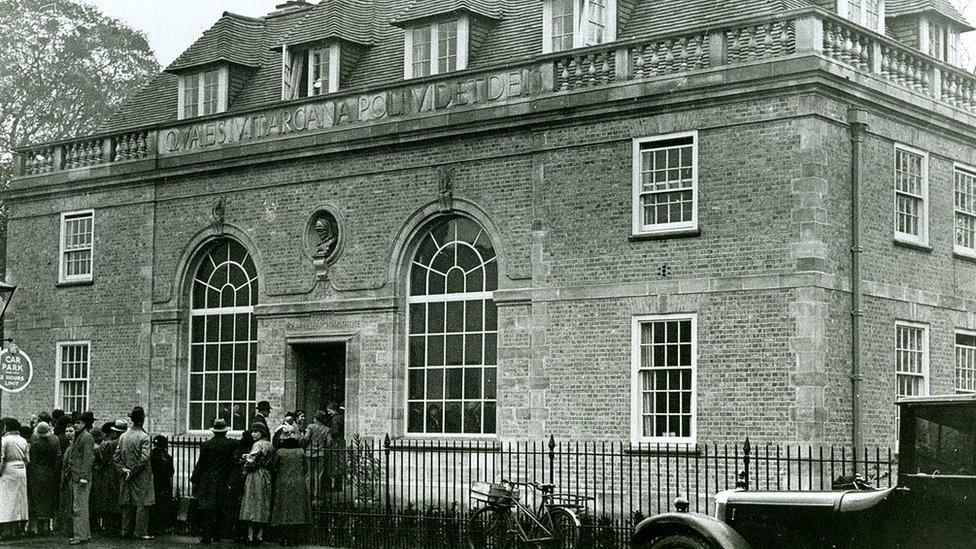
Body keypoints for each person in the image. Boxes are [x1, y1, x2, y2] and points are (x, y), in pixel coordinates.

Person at [190, 418, 238, 544]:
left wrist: (194, 478)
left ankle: (206, 536)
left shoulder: (206, 445)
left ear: (214, 431)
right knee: (220, 509)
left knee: (207, 510)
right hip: (223, 479)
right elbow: (233, 463)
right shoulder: (231, 445)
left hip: (208, 480)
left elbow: (200, 464)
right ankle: (218, 535)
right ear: (225, 431)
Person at [114, 406, 154, 540]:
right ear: (142, 419)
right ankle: (140, 532)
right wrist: (133, 471)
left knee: (127, 504)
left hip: (126, 476)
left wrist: (124, 470)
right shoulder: (144, 437)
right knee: (143, 504)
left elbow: (116, 457)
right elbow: (144, 458)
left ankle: (125, 531)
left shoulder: (123, 436)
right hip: (141, 476)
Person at [270, 436, 310, 546]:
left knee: (283, 509)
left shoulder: (280, 452)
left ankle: (283, 538)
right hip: (298, 483)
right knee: (297, 510)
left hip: (282, 483)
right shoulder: (301, 452)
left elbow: (274, 467)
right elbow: (306, 468)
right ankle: (294, 538)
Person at [239, 422, 274, 546]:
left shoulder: (257, 444)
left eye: (256, 431)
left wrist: (245, 462)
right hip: (266, 475)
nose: (253, 434)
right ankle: (260, 535)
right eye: (252, 431)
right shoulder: (270, 445)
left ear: (262, 433)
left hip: (255, 475)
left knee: (252, 503)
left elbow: (251, 461)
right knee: (263, 503)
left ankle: (250, 536)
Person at [91, 420, 125, 534]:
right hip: (122, 473)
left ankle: (109, 527)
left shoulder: (110, 444)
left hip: (110, 474)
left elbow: (103, 460)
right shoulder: (125, 441)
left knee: (109, 500)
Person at [27, 421, 60, 536]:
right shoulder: (55, 442)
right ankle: (46, 526)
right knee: (48, 500)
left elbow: (32, 461)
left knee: (37, 500)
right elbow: (57, 458)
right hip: (50, 473)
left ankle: (36, 527)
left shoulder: (35, 444)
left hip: (38, 474)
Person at [66, 415, 94, 545]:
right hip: (76, 476)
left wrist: (84, 477)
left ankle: (79, 535)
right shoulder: (81, 436)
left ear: (84, 424)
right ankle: (84, 534)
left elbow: (87, 459)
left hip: (80, 477)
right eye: (75, 423)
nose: (75, 425)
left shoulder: (86, 437)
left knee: (79, 507)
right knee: (81, 506)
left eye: (78, 423)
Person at [0, 418, 30, 541]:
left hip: (8, 470)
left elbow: (1, 457)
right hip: (21, 470)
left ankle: (6, 531)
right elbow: (27, 459)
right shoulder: (23, 440)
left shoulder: (4, 440)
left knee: (6, 501)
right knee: (20, 500)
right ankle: (18, 529)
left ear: (6, 427)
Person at [149, 435, 174, 536]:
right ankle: (162, 527)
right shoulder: (167, 457)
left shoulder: (151, 456)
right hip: (164, 484)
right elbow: (171, 472)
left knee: (153, 507)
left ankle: (153, 527)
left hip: (154, 483)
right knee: (163, 506)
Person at [324, 402, 346, 492]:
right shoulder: (341, 417)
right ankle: (338, 485)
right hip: (341, 443)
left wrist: (328, 431)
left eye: (330, 411)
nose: (329, 413)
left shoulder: (335, 419)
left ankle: (336, 486)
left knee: (335, 465)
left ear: (334, 410)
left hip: (336, 443)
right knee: (339, 465)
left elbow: (335, 432)